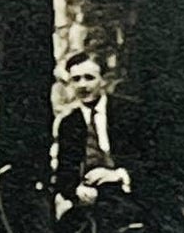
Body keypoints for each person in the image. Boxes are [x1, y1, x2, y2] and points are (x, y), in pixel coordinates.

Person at [53, 51, 159, 221]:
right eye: (76, 79)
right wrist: (77, 190)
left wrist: (118, 174)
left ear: (103, 80)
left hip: (131, 191)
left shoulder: (130, 113)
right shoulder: (69, 123)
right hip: (91, 195)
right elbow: (65, 171)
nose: (82, 85)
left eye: (89, 77)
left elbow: (153, 162)